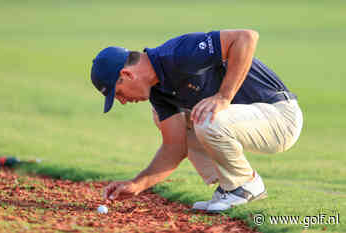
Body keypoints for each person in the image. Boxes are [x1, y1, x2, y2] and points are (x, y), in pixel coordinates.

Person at [90, 29, 303, 213]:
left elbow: (246, 37)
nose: (123, 101)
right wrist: (137, 184)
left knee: (206, 119)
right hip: (247, 120)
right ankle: (229, 187)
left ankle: (246, 185)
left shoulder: (177, 54)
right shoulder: (158, 92)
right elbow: (175, 146)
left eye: (118, 94)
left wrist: (224, 96)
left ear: (127, 74)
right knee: (182, 119)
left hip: (280, 117)